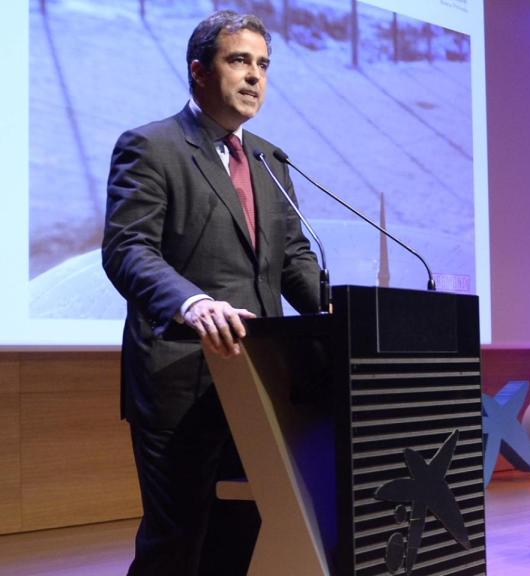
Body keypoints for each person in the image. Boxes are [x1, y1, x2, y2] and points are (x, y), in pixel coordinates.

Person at [102, 11, 322, 575]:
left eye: (263, 65)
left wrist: (338, 306)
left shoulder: (270, 160)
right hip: (183, 375)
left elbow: (291, 258)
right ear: (199, 71)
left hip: (260, 379)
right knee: (176, 541)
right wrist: (193, 302)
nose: (254, 77)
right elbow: (128, 250)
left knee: (242, 534)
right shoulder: (151, 147)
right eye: (239, 61)